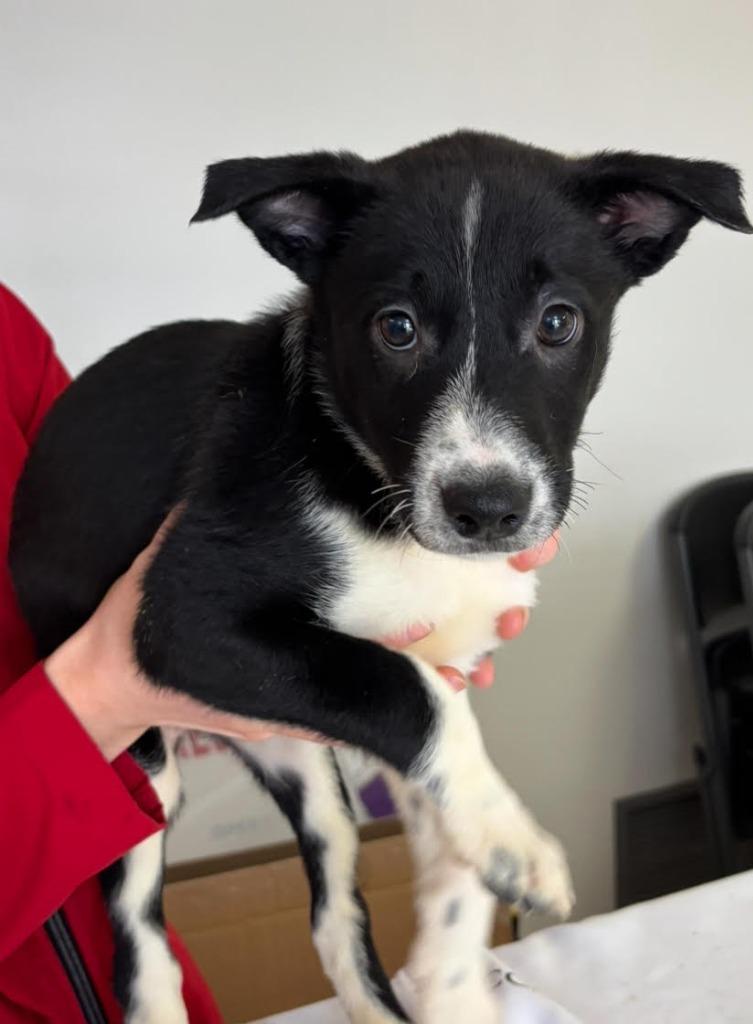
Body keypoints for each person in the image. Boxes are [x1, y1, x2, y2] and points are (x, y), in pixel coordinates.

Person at [0, 283, 558, 1022]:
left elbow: (116, 510)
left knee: (340, 806)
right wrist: (105, 690)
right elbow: (162, 616)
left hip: (97, 939)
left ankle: (393, 981)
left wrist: (362, 589)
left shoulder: (6, 329)